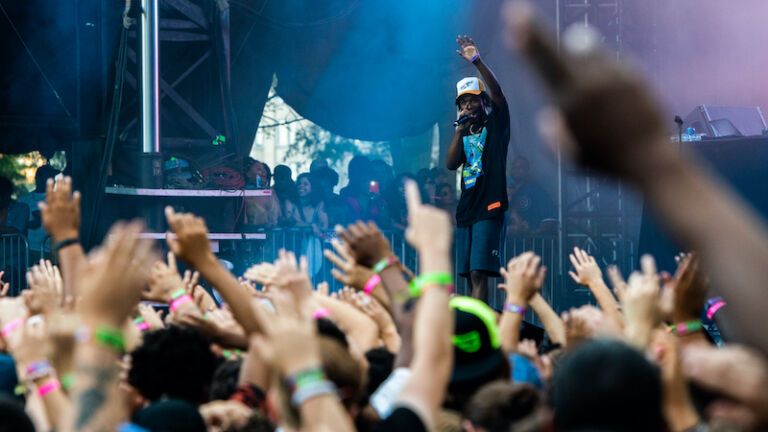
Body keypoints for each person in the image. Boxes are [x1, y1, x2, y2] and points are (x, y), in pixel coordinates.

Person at [446, 35, 511, 301]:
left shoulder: (496, 124)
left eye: (473, 100)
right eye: (463, 102)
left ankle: (479, 326)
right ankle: (476, 320)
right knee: (467, 275)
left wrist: (477, 62)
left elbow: (498, 94)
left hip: (490, 205)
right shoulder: (464, 130)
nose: (467, 105)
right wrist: (459, 131)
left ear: (483, 102)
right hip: (467, 209)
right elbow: (451, 164)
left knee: (478, 272)